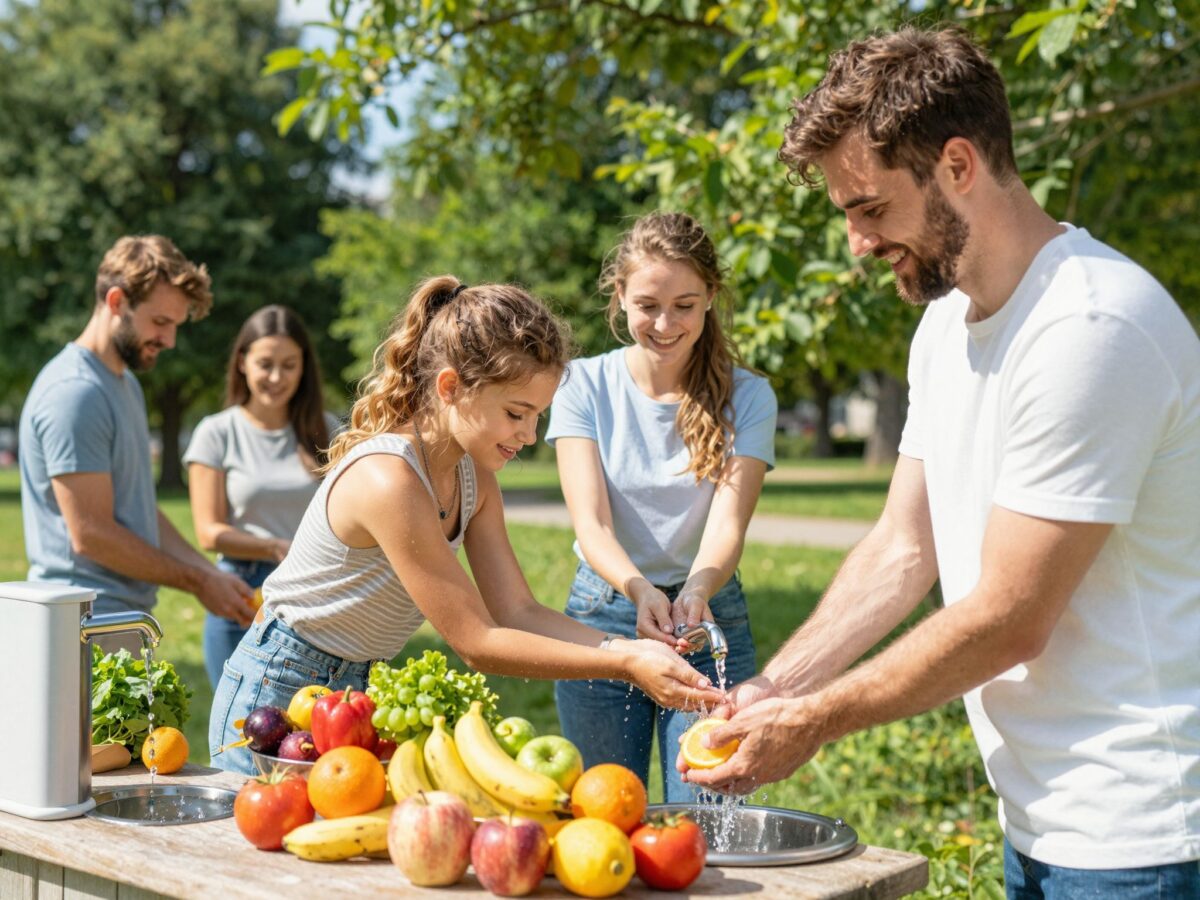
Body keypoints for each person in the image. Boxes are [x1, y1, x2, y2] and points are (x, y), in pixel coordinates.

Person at [680, 26, 1200, 897]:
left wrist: (816, 721)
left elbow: (1009, 616)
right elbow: (902, 547)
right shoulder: (945, 325)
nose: (855, 243)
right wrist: (776, 687)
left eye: (870, 208)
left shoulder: (1087, 326)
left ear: (958, 164)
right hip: (1039, 814)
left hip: (1142, 830)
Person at [209, 276, 723, 774]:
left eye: (538, 416)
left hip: (351, 694)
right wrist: (625, 665)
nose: (529, 434)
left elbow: (517, 611)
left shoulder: (473, 477)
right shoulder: (388, 479)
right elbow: (476, 642)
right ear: (450, 387)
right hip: (277, 688)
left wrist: (631, 649)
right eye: (516, 413)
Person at [546, 212, 777, 801]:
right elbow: (591, 523)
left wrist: (693, 594)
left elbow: (728, 524)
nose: (666, 323)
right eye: (648, 303)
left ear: (710, 301)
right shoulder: (581, 384)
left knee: (705, 812)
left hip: (709, 616)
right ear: (619, 296)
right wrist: (640, 591)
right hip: (604, 616)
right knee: (602, 809)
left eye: (685, 304)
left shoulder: (749, 396)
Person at [18, 235, 255, 643]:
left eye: (175, 326)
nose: (170, 340)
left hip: (116, 621)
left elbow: (138, 511)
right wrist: (198, 581)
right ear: (116, 302)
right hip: (80, 627)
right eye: (160, 322)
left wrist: (210, 573)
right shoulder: (76, 392)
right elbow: (91, 533)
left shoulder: (124, 384)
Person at [185, 305, 340, 689]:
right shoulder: (216, 433)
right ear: (242, 362)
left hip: (312, 596)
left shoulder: (327, 430)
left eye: (289, 365)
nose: (276, 376)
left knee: (307, 735)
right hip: (240, 596)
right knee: (240, 731)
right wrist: (273, 547)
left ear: (304, 366)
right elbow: (208, 532)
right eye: (265, 363)